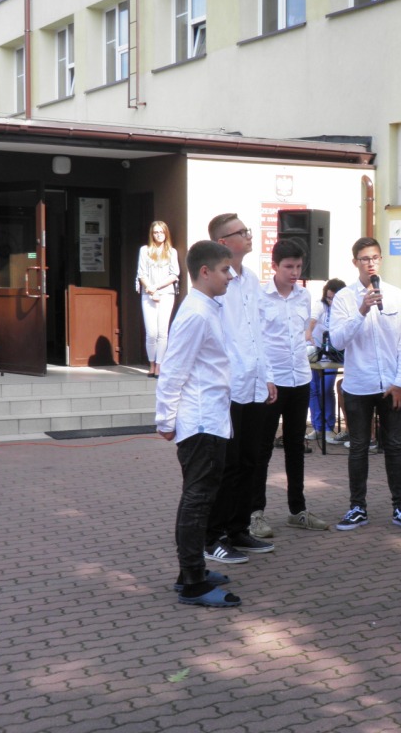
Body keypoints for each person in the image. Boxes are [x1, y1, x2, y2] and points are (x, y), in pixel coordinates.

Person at [155, 240, 241, 607]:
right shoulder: (195, 313)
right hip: (201, 421)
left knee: (201, 498)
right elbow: (173, 370)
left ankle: (191, 571)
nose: (230, 276)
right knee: (197, 499)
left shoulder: (208, 308)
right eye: (224, 270)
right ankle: (192, 582)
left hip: (212, 418)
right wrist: (165, 418)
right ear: (204, 272)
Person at [329, 237, 401, 532]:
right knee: (358, 447)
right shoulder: (344, 298)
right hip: (359, 384)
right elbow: (337, 341)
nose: (371, 263)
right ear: (355, 262)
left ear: (381, 260)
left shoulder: (396, 295)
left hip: (391, 385)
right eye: (365, 258)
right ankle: (357, 508)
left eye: (375, 258)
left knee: (394, 446)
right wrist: (361, 310)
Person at [204, 213, 277, 562]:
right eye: (242, 232)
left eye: (248, 230)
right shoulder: (216, 283)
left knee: (251, 460)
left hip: (255, 383)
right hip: (228, 386)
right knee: (227, 464)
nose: (249, 236)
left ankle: (238, 528)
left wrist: (268, 374)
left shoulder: (250, 280)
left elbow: (258, 331)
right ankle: (213, 536)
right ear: (223, 242)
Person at [252, 239, 329, 537]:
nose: (295, 272)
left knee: (296, 447)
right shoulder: (260, 297)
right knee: (262, 448)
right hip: (272, 382)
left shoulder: (304, 296)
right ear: (274, 266)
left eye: (298, 266)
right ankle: (254, 513)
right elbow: (257, 342)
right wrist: (266, 377)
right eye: (288, 266)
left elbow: (300, 336)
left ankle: (298, 510)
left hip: (300, 379)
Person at [136, 221, 180, 378]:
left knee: (162, 331)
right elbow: (141, 273)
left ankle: (160, 365)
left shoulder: (172, 252)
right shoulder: (145, 250)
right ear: (152, 234)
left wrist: (156, 287)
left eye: (161, 232)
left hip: (166, 294)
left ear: (166, 233)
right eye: (156, 232)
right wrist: (150, 289)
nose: (159, 235)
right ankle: (151, 364)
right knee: (151, 332)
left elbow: (174, 274)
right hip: (148, 294)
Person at [307, 278, 347, 444]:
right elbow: (312, 319)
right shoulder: (320, 305)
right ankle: (317, 427)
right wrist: (308, 333)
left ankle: (329, 427)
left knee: (326, 388)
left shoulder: (345, 309)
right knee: (313, 389)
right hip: (316, 350)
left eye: (334, 298)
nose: (331, 301)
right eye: (329, 298)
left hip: (334, 354)